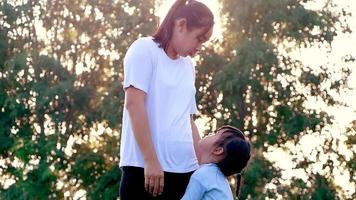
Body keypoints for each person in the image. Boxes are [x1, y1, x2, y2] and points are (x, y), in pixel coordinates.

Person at [119, 0, 214, 199]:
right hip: (145, 170)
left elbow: (188, 120)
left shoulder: (188, 67)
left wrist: (201, 167)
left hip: (185, 171)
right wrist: (150, 160)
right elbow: (134, 105)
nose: (199, 48)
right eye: (199, 39)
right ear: (181, 25)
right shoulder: (144, 49)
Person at [181, 125, 252, 200]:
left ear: (218, 150)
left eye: (215, 134)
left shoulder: (204, 175)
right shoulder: (216, 177)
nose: (210, 134)